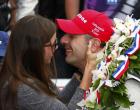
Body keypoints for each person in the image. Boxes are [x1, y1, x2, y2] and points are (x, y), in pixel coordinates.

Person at [0, 15, 99, 110]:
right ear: (36, 48)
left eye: (72, 36)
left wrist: (81, 73)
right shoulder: (23, 88)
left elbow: (58, 102)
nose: (56, 48)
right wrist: (89, 69)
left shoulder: (24, 77)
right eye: (52, 45)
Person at [56, 9, 140, 109]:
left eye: (72, 36)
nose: (63, 40)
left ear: (94, 45)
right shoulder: (82, 76)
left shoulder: (127, 88)